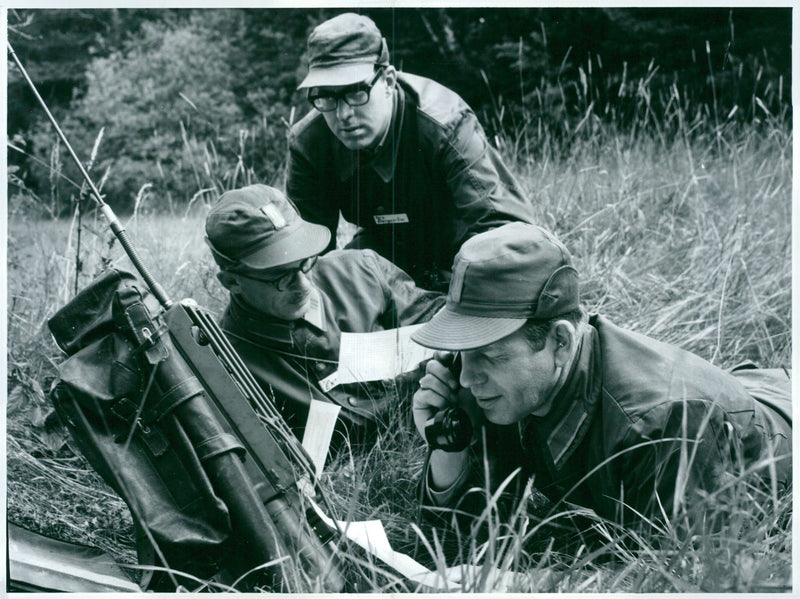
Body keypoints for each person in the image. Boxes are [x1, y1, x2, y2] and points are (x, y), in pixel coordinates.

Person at [410, 222, 792, 539]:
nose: (466, 376)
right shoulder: (505, 382)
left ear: (560, 342)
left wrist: (529, 585)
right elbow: (464, 532)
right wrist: (448, 444)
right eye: (462, 351)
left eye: (490, 355)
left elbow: (680, 575)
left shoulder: (661, 426)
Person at [286, 12, 535, 292]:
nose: (343, 114)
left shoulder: (445, 123)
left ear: (389, 82)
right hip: (388, 249)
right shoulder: (309, 142)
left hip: (463, 250)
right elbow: (309, 255)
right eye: (326, 96)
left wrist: (460, 291)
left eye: (356, 93)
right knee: (337, 279)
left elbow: (506, 230)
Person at [205, 184, 445, 445]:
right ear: (231, 281)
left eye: (305, 262)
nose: (304, 285)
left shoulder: (361, 270)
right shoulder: (227, 365)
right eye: (279, 275)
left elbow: (446, 325)